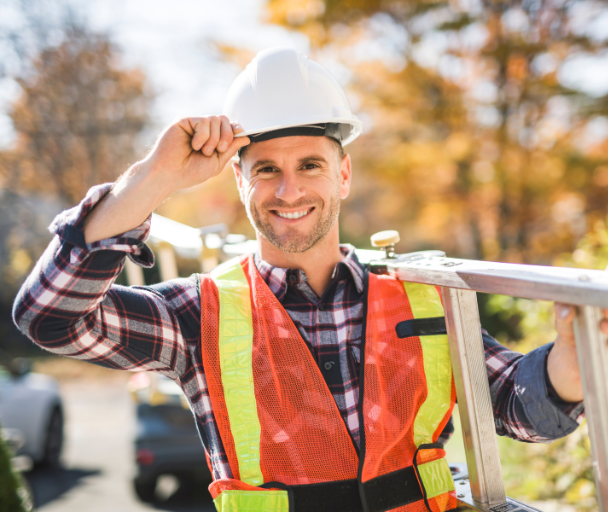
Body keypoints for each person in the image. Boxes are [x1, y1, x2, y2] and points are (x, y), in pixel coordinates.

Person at [12, 47, 608, 512]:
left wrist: (570, 369)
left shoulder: (422, 296)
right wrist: (152, 180)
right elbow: (49, 317)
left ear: (343, 174)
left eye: (310, 166)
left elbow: (512, 404)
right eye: (266, 170)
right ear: (240, 183)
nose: (289, 190)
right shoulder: (198, 315)